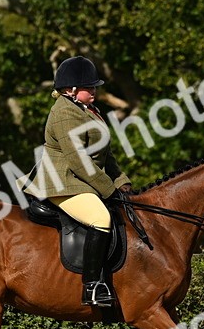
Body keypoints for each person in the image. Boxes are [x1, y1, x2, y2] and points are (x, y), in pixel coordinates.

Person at [23, 55, 132, 307]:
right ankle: (92, 286)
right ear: (71, 89)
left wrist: (121, 182)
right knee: (100, 218)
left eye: (94, 86)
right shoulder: (64, 112)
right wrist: (108, 189)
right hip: (63, 181)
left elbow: (106, 154)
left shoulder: (88, 110)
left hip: (81, 179)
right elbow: (78, 161)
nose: (94, 91)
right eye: (88, 87)